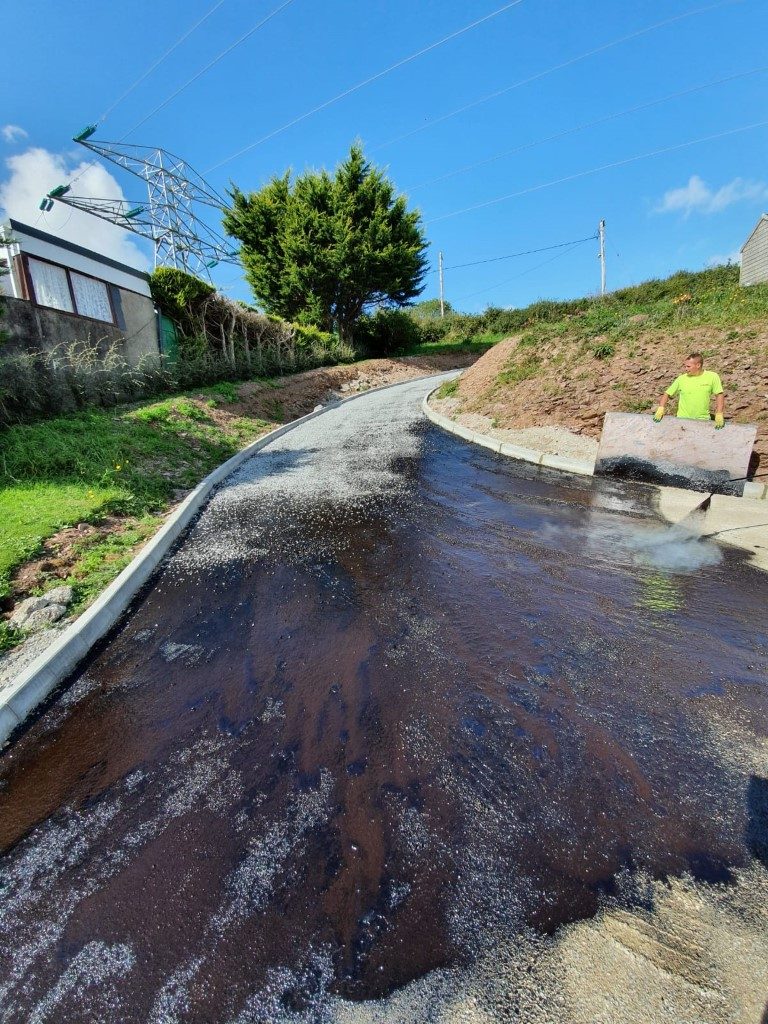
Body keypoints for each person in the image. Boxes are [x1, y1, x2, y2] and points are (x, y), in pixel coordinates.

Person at [652, 352, 725, 428]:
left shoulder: (712, 377)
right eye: (685, 366)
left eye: (688, 366)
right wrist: (661, 408)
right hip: (682, 420)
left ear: (698, 365)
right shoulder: (681, 379)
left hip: (703, 420)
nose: (686, 369)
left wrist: (719, 413)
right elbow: (667, 393)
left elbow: (719, 394)